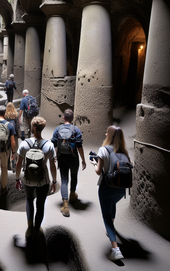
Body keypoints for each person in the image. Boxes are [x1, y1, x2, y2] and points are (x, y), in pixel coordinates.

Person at [15, 116, 57, 241]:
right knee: (40, 204)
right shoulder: (49, 145)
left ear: (33, 127)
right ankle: (37, 228)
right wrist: (54, 181)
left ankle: (29, 228)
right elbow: (52, 166)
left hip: (28, 179)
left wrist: (17, 179)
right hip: (43, 180)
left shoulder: (24, 144)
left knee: (29, 200)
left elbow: (18, 164)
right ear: (42, 128)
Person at [92, 125, 130, 261]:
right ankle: (111, 231)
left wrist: (95, 163)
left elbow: (98, 171)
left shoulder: (103, 150)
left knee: (106, 216)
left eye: (107, 132)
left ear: (111, 135)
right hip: (121, 189)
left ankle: (115, 249)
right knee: (112, 203)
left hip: (107, 186)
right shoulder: (124, 152)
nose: (105, 134)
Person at [51, 109, 87, 217]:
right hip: (73, 157)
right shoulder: (76, 130)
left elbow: (55, 144)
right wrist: (83, 160)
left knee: (64, 179)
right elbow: (79, 146)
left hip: (62, 157)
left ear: (63, 118)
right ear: (72, 119)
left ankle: (65, 206)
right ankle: (72, 194)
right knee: (74, 175)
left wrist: (55, 156)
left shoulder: (58, 129)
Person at [4, 102, 21, 171]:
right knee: (15, 150)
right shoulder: (15, 115)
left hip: (7, 135)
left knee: (8, 149)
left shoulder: (5, 116)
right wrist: (19, 134)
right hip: (15, 135)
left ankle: (8, 165)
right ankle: (14, 164)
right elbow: (17, 126)